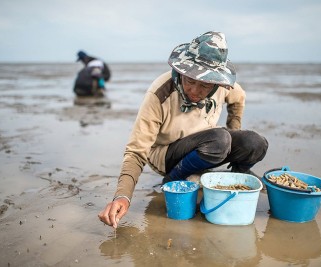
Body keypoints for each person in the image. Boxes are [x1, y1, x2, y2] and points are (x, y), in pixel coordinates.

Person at [98, 31, 268, 228]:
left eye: (204, 85)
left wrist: (234, 130)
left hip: (208, 144)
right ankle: (174, 178)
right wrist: (123, 196)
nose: (195, 91)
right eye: (190, 81)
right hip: (167, 154)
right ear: (181, 72)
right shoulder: (159, 93)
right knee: (220, 140)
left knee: (255, 143)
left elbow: (239, 98)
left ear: (216, 82)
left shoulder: (222, 86)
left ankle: (238, 174)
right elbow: (136, 152)